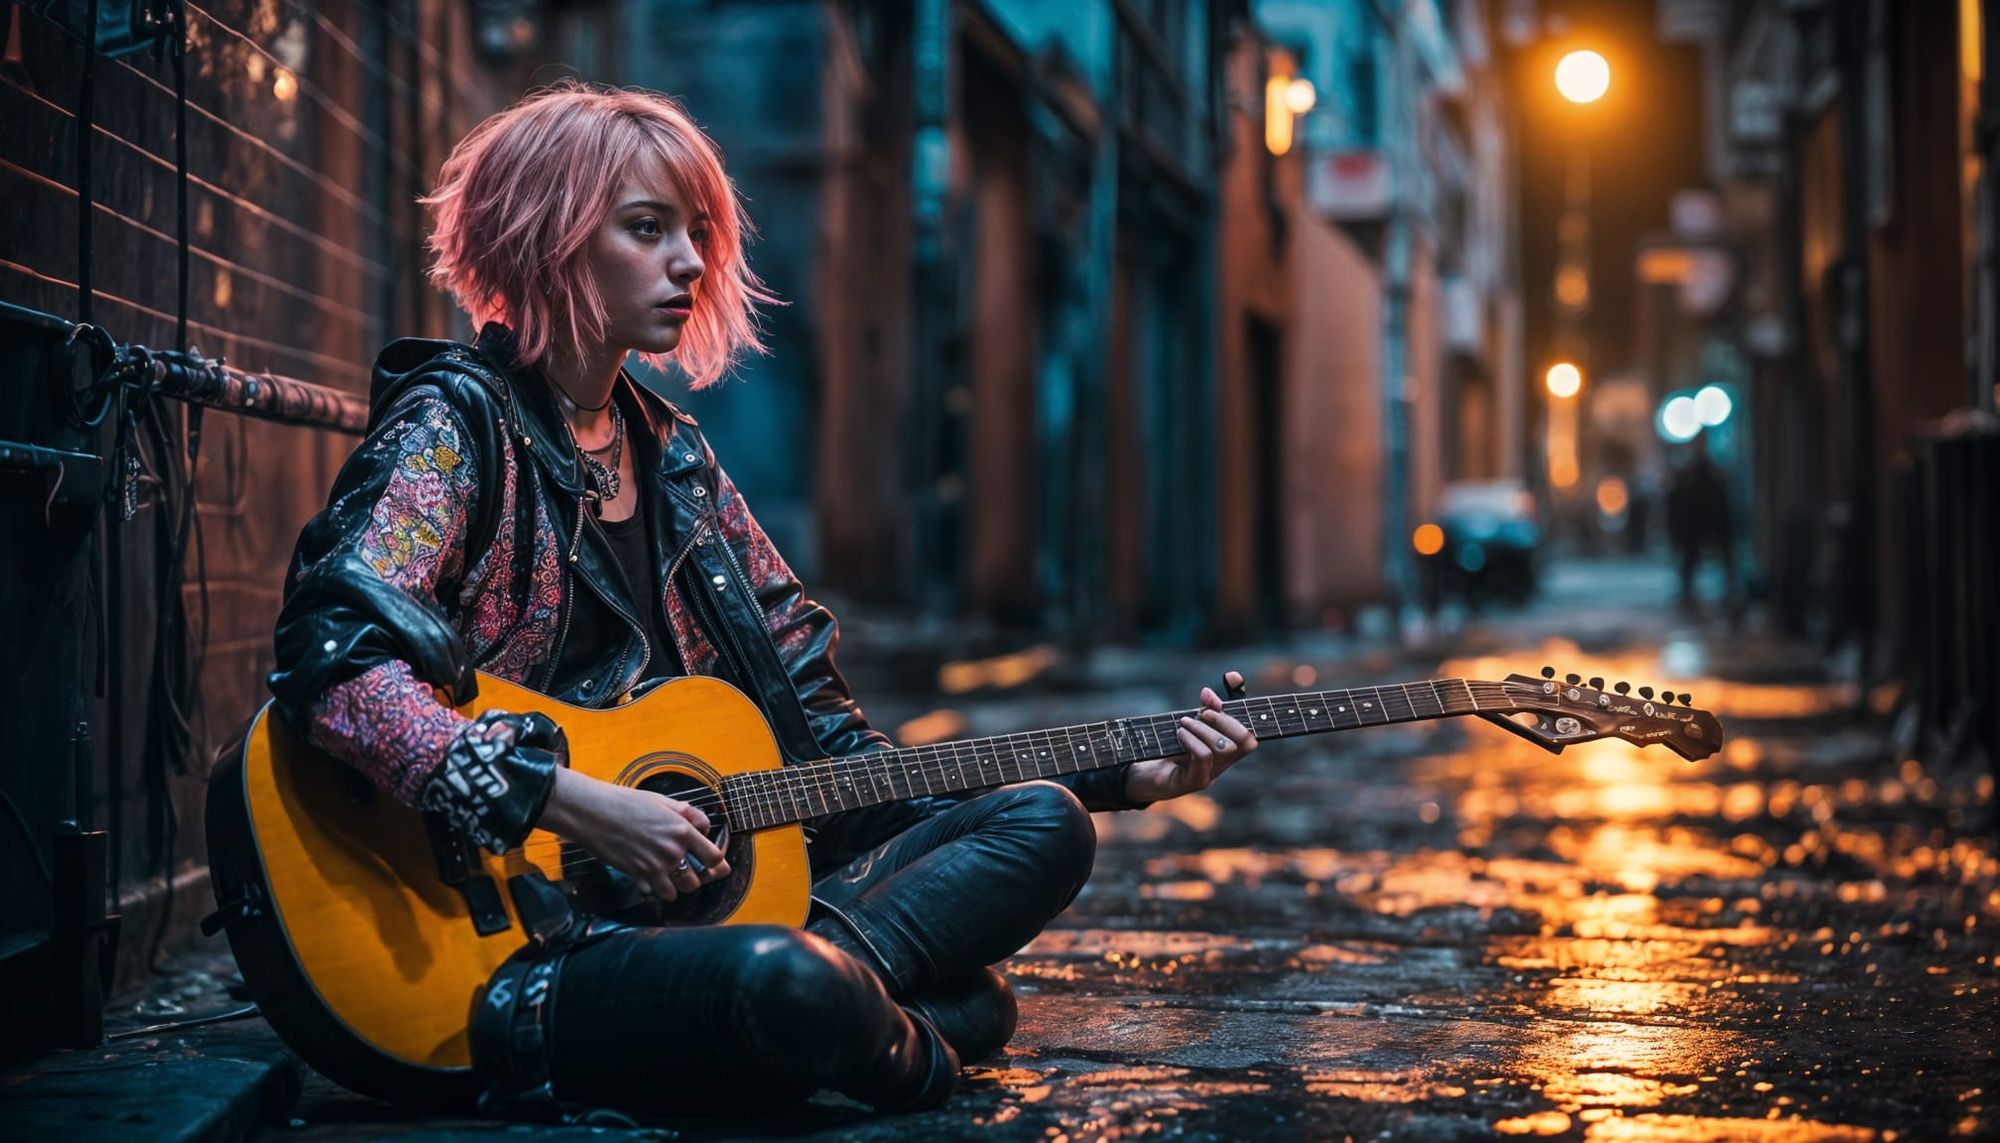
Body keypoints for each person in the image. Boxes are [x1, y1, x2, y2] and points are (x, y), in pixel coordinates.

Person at [265, 81, 1258, 1119]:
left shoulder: (677, 463)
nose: (690, 264)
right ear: (546, 237)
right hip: (515, 952)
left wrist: (1121, 775)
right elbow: (328, 666)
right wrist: (578, 805)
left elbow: (835, 761)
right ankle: (864, 1028)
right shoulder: (454, 426)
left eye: (694, 234)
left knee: (1042, 825)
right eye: (647, 231)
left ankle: (832, 1007)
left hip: (693, 923)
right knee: (830, 990)